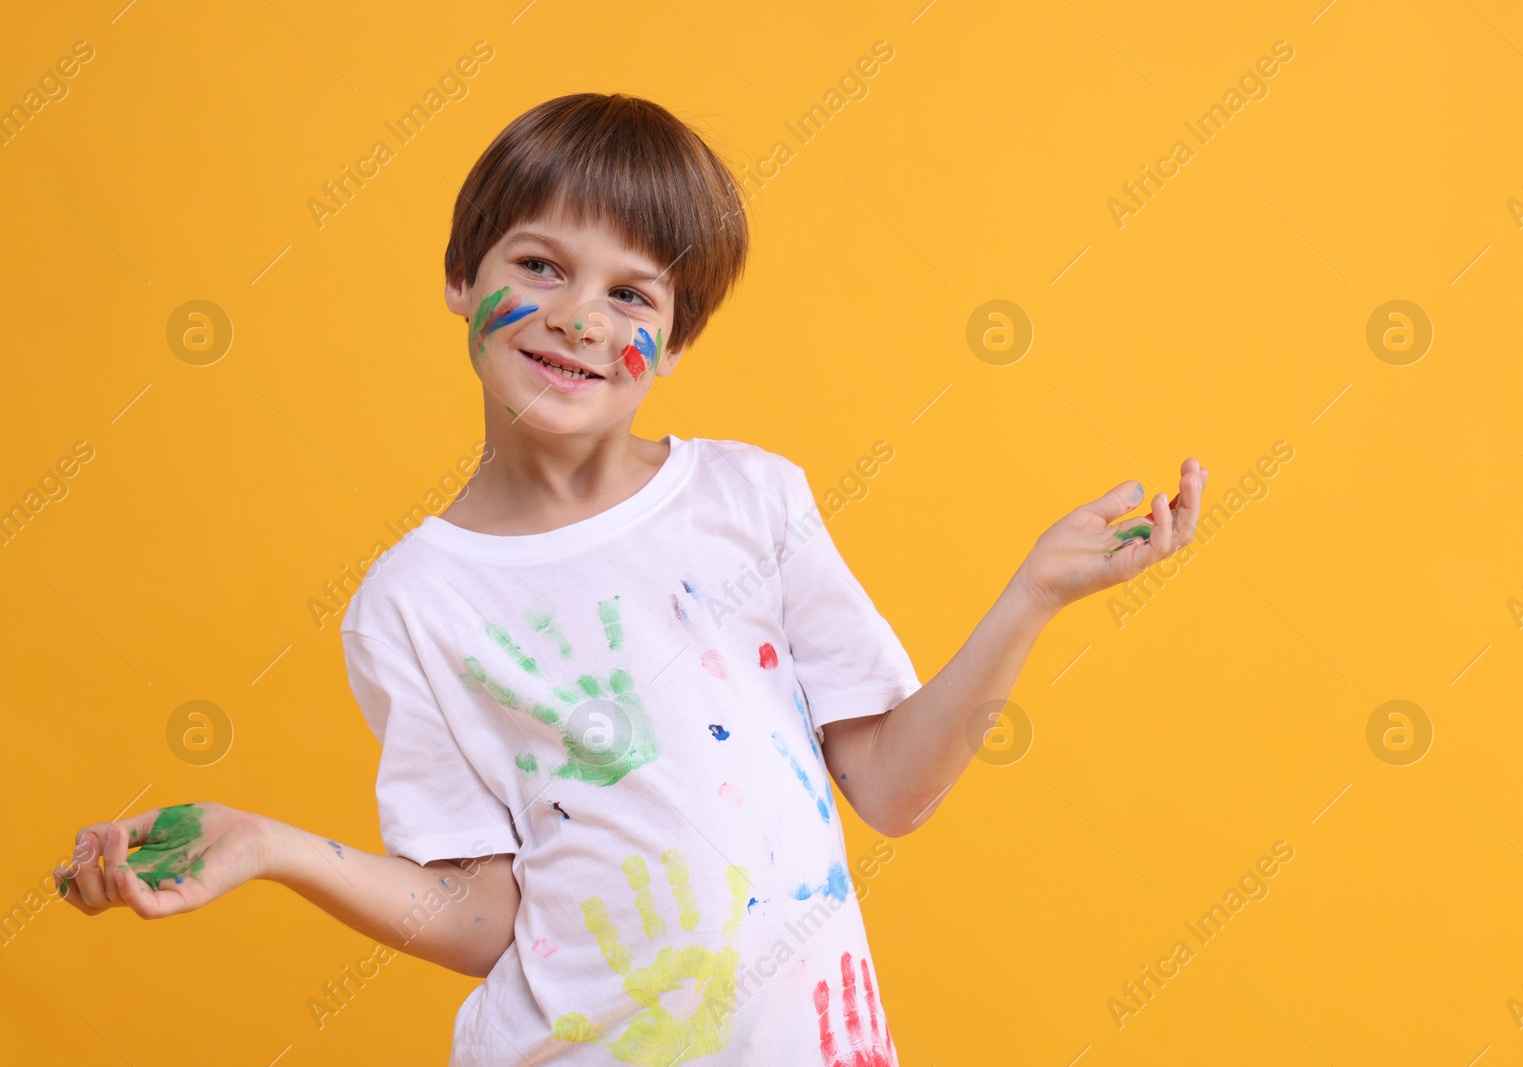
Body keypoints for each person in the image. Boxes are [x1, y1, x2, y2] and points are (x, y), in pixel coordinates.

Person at [55, 93, 1208, 1066]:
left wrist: (1033, 596)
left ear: (679, 332)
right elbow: (479, 913)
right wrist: (270, 845)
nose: (575, 318)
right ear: (463, 276)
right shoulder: (410, 602)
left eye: (630, 294)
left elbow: (892, 788)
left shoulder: (750, 500)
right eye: (540, 264)